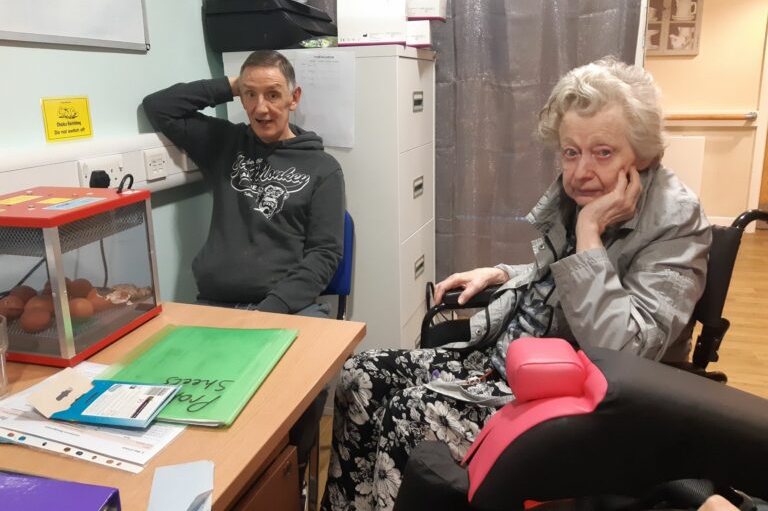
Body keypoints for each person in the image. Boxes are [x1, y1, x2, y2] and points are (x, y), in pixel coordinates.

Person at [321, 58, 711, 511]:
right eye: (571, 152)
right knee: (360, 374)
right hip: (508, 362)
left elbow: (625, 351)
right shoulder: (593, 193)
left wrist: (588, 233)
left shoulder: (676, 221)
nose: (580, 171)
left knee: (408, 413)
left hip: (567, 403)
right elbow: (561, 281)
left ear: (641, 155)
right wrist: (505, 272)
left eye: (603, 152)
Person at [142, 49, 345, 493]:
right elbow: (159, 106)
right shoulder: (226, 143)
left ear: (294, 97)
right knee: (182, 411)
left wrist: (267, 312)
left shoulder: (323, 168)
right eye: (250, 95)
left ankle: (290, 486)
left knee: (286, 409)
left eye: (273, 94)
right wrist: (233, 84)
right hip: (215, 306)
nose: (261, 107)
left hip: (288, 309)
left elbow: (325, 255)